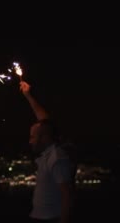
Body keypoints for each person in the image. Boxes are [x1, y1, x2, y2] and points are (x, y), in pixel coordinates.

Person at [20, 81, 76, 223]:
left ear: (44, 138)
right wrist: (28, 96)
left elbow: (67, 196)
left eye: (32, 137)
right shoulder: (50, 153)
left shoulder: (57, 157)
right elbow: (45, 122)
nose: (30, 141)